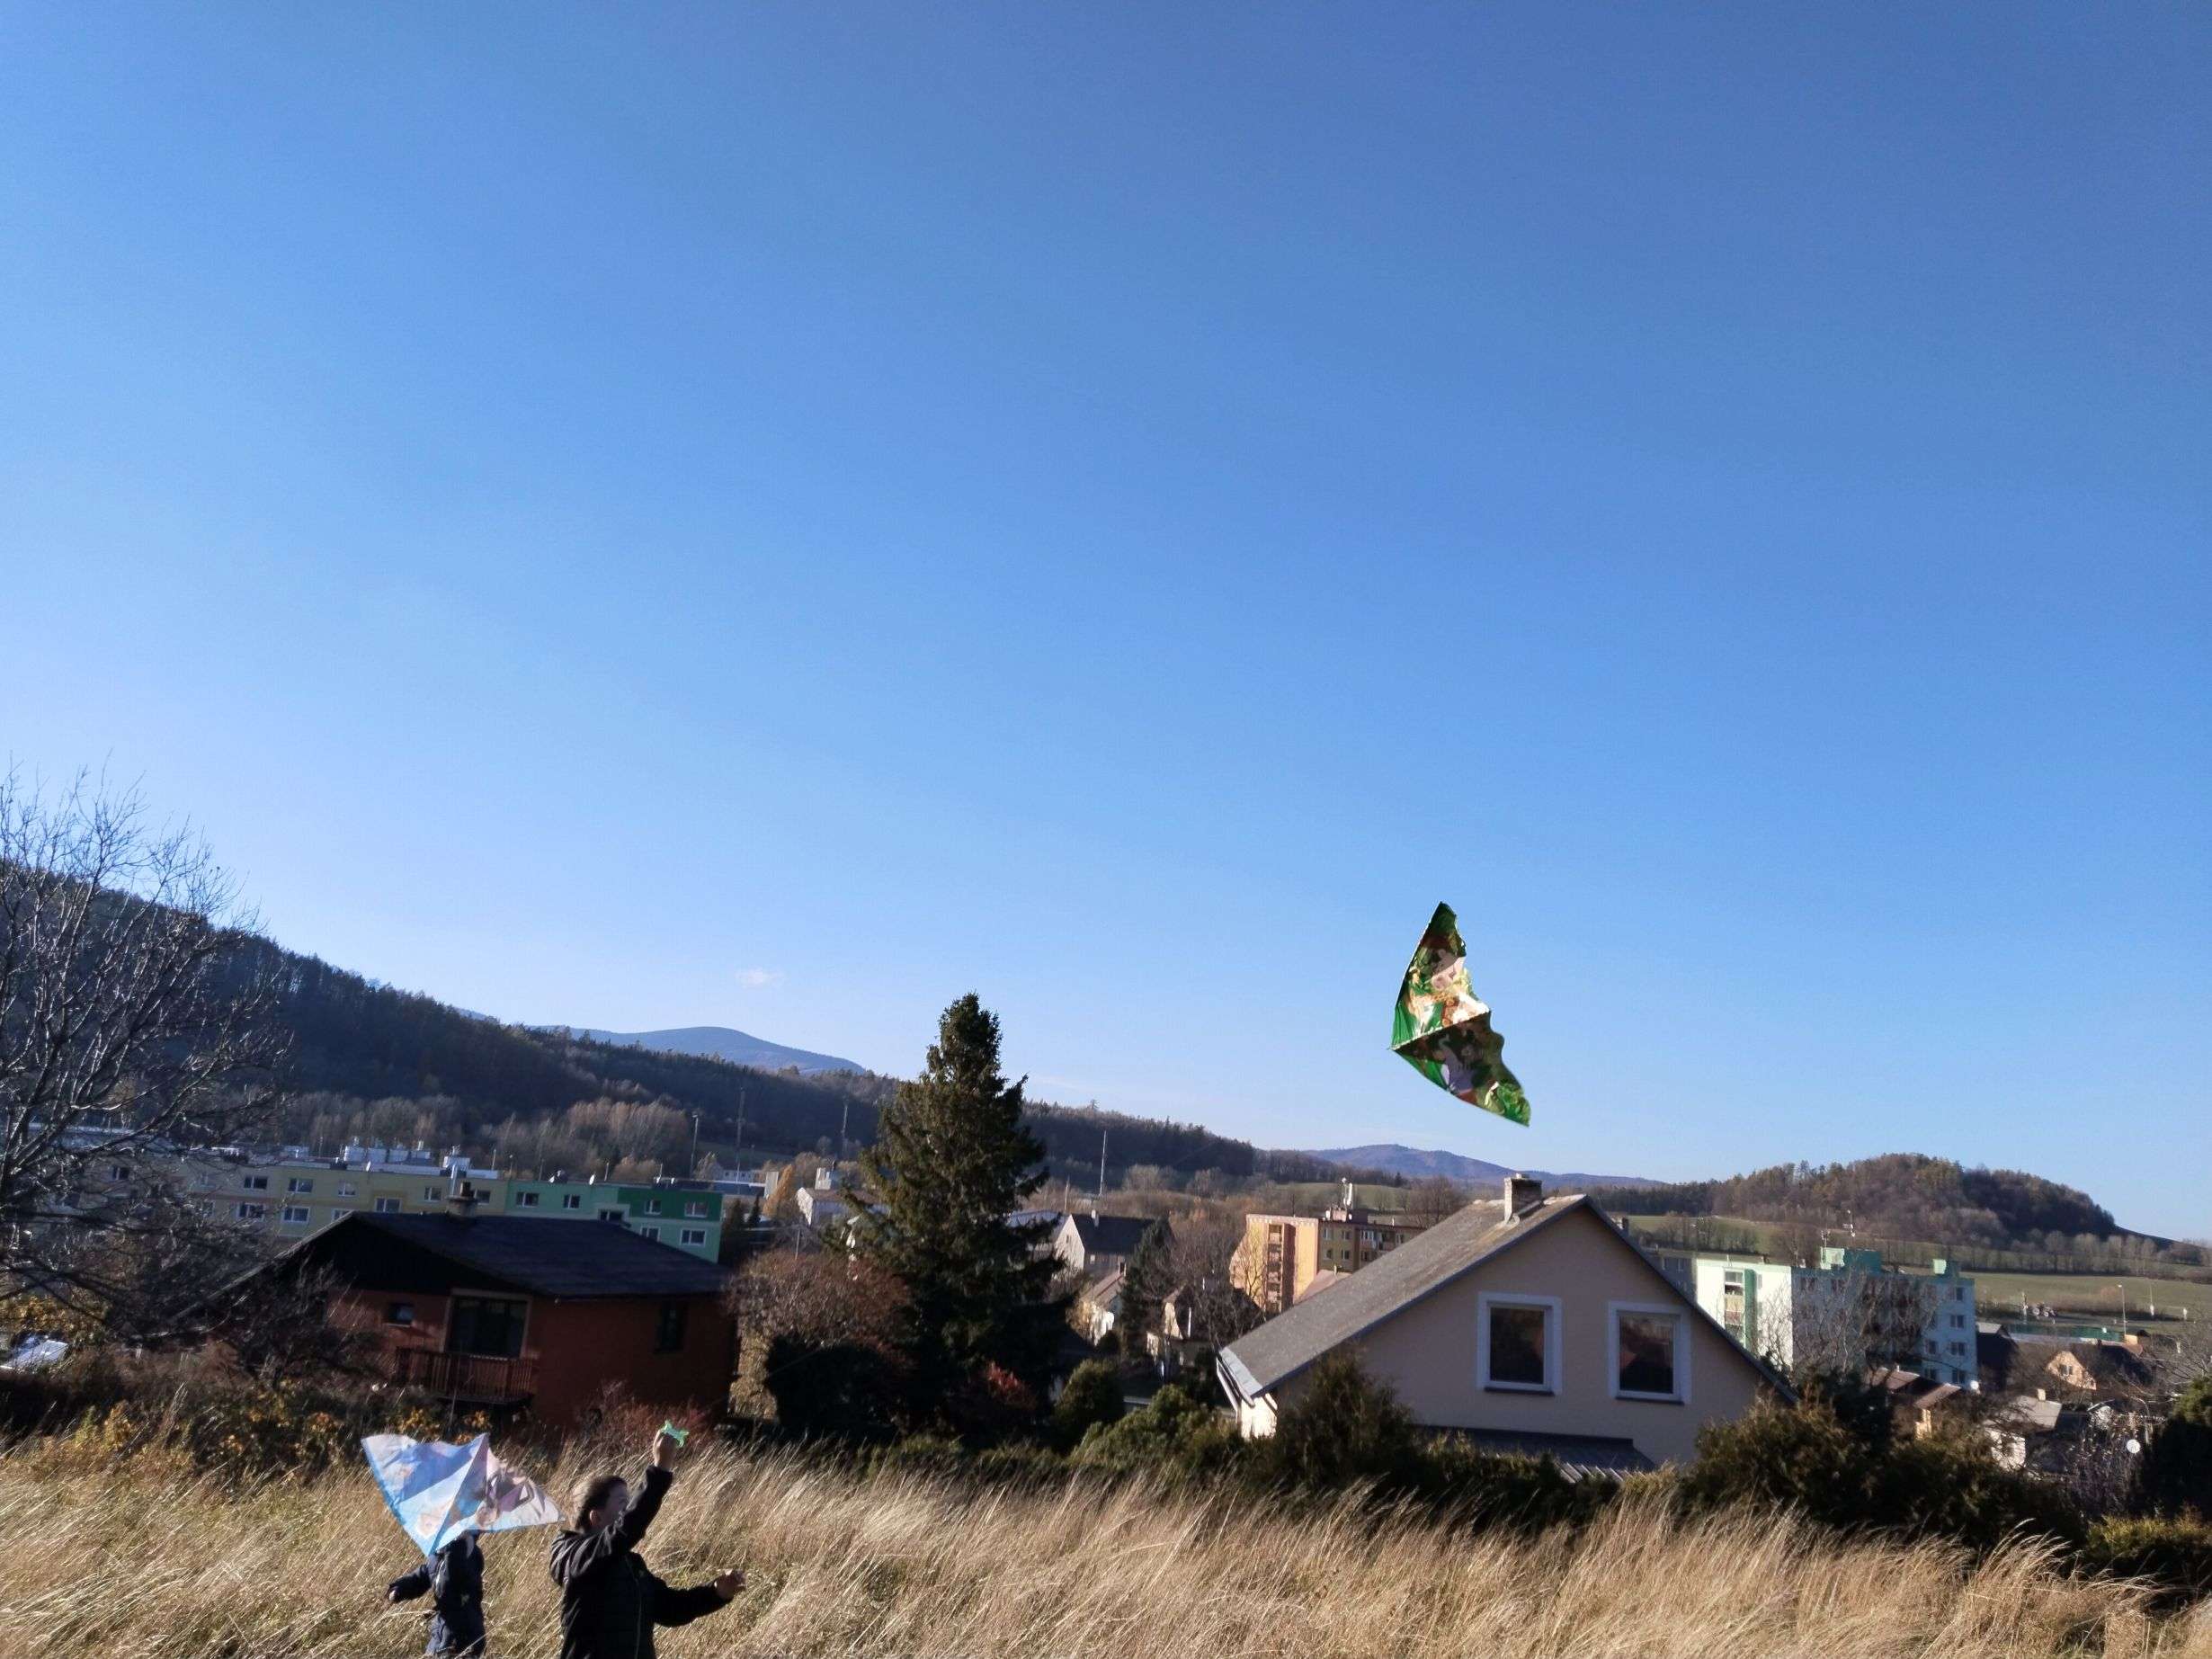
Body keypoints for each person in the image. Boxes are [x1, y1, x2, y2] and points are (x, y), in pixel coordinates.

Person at [549, 1427, 743, 1659]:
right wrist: (660, 1470)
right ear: (596, 1517)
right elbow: (627, 1527)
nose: (629, 1508)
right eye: (623, 1503)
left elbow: (670, 1609)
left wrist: (716, 1593)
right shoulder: (577, 1557)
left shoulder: (633, 1566)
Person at [387, 1530, 488, 1657]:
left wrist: (456, 1545)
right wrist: (400, 1589)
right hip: (441, 1628)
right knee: (434, 1652)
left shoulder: (470, 1555)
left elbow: (454, 1576)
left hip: (463, 1633)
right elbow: (423, 1575)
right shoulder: (437, 1556)